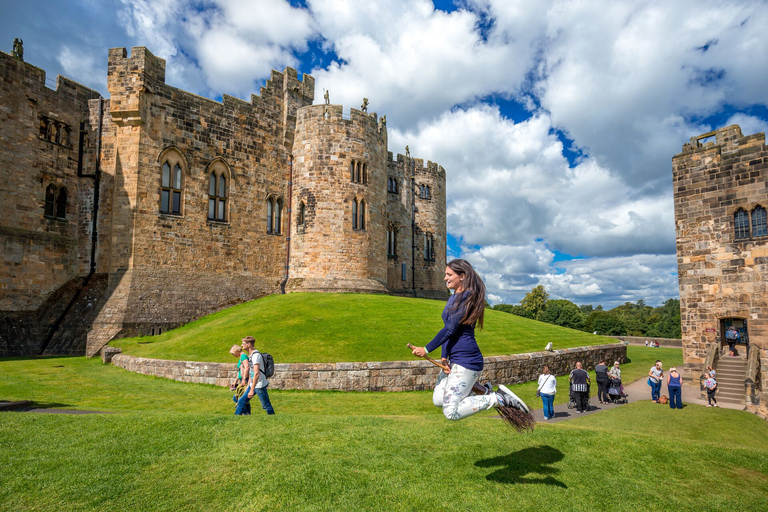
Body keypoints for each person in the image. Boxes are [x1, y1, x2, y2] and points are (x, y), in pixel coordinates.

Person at [410, 259, 529, 420]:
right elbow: (449, 329)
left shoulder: (467, 296)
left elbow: (450, 328)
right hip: (455, 359)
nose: (445, 278)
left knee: (450, 412)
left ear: (462, 276)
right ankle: (483, 390)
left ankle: (498, 398)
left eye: (449, 274)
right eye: (445, 274)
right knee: (438, 399)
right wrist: (444, 358)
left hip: (467, 360)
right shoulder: (453, 297)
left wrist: (426, 349)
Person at [235, 336, 275, 415]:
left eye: (243, 343)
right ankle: (235, 419)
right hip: (253, 384)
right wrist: (248, 385)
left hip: (259, 385)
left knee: (266, 405)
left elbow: (256, 373)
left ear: (249, 344)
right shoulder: (251, 355)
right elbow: (251, 373)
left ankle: (273, 418)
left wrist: (252, 389)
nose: (241, 345)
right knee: (241, 401)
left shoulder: (256, 356)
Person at [229, 344, 250, 411]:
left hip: (245, 380)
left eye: (233, 353)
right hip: (242, 380)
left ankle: (245, 413)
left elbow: (247, 367)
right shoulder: (241, 357)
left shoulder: (243, 356)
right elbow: (241, 370)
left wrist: (244, 379)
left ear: (237, 351)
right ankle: (246, 413)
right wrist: (236, 381)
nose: (233, 355)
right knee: (243, 399)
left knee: (238, 398)